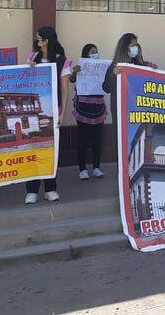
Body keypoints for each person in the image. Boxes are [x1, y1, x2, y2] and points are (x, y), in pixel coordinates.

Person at [25, 26, 70, 204]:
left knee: (50, 151)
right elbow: (24, 83)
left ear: (47, 40)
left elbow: (65, 90)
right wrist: (28, 69)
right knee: (33, 150)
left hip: (52, 113)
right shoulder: (32, 58)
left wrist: (62, 113)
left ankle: (50, 189)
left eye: (39, 38)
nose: (36, 40)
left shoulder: (62, 61)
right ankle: (32, 190)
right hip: (34, 113)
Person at [70, 44, 107, 180]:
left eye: (96, 52)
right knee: (83, 141)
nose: (95, 54)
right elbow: (71, 80)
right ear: (86, 54)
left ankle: (97, 167)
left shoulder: (102, 68)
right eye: (92, 52)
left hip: (98, 108)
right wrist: (75, 72)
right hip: (83, 109)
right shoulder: (81, 67)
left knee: (98, 140)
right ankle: (83, 169)